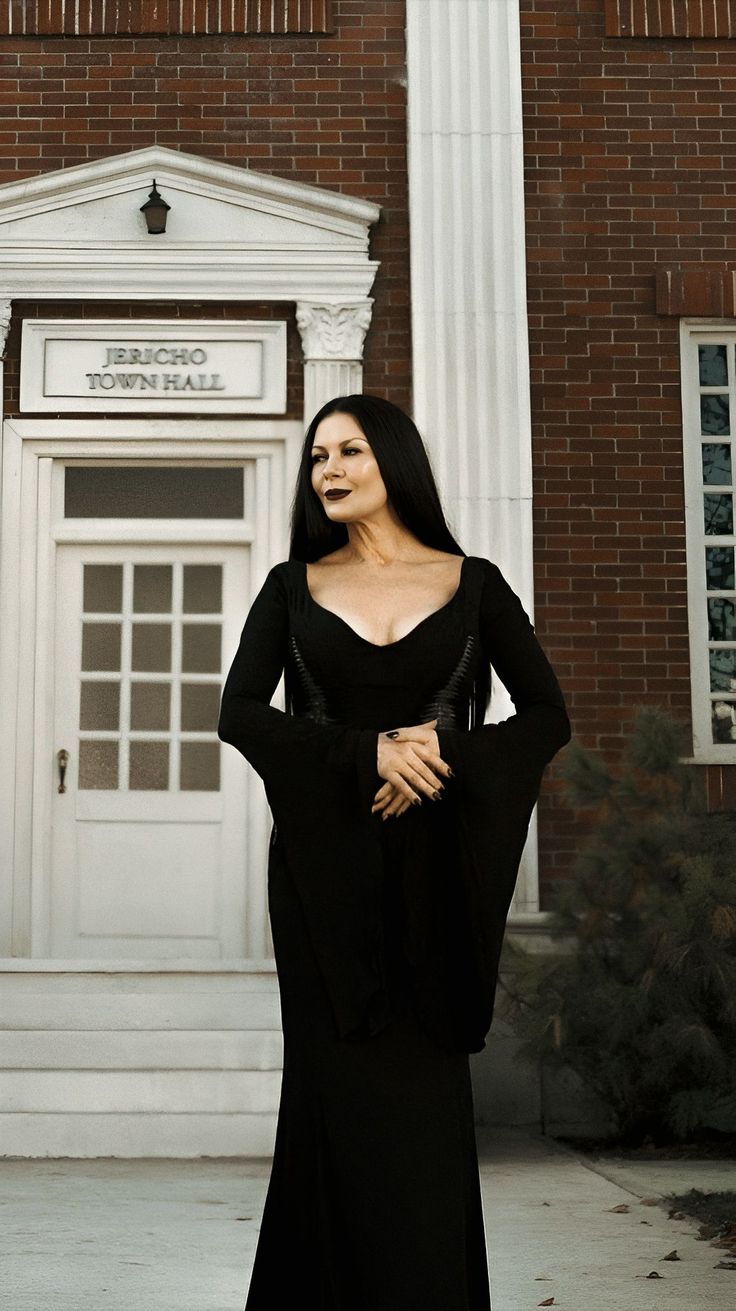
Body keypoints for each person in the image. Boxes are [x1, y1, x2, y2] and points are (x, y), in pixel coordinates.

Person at [218, 394, 571, 1311]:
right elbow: (240, 714)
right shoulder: (292, 588)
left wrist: (440, 757)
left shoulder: (476, 584)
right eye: (317, 456)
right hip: (325, 886)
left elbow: (546, 718)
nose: (328, 470)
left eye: (349, 451)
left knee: (423, 1109)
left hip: (439, 878)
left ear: (395, 462)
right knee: (333, 1104)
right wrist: (364, 751)